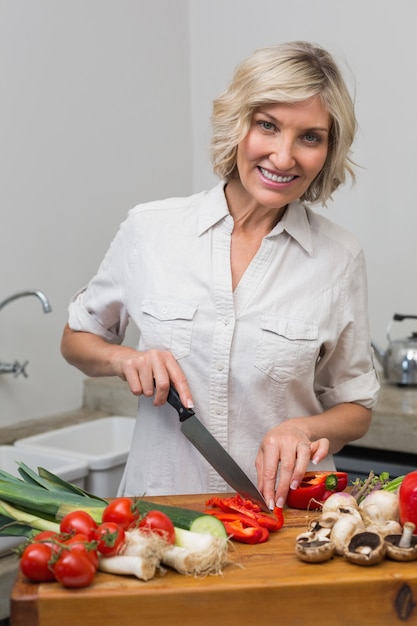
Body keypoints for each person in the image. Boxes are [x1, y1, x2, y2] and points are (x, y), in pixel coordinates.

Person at [61, 41, 379, 511]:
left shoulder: (339, 258)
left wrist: (304, 429)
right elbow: (77, 339)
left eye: (310, 137)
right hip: (161, 516)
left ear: (328, 151)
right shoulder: (150, 230)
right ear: (238, 124)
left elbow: (356, 408)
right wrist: (125, 360)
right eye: (267, 125)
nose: (284, 156)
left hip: (285, 522)